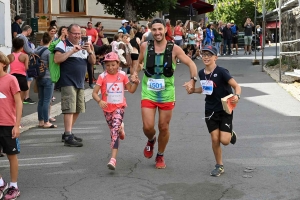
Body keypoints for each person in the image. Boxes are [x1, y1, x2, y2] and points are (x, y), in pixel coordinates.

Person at [131, 18, 198, 169]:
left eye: (160, 29)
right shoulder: (144, 46)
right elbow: (139, 62)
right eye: (154, 30)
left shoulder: (174, 48)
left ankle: (160, 155)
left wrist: (192, 80)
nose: (157, 32)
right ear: (151, 31)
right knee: (148, 127)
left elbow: (191, 63)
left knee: (164, 127)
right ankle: (151, 139)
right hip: (148, 90)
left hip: (166, 92)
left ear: (165, 30)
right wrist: (135, 72)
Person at [183, 45, 240, 177]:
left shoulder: (222, 72)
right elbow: (205, 89)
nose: (206, 57)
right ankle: (219, 165)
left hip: (225, 109)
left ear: (215, 57)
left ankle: (230, 133)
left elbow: (236, 86)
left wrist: (237, 96)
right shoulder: (202, 73)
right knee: (215, 139)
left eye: (209, 55)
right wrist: (192, 90)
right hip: (210, 110)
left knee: (224, 141)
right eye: (204, 54)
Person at [92, 52, 139, 170]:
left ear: (118, 64)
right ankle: (121, 128)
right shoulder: (102, 76)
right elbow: (94, 93)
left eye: (113, 65)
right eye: (108, 65)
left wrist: (136, 84)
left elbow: (131, 90)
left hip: (119, 107)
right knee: (113, 129)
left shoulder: (123, 75)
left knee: (114, 132)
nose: (111, 68)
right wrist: (99, 101)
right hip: (107, 109)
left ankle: (113, 159)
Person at [54, 24, 96, 147]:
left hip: (80, 81)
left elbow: (92, 62)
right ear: (68, 33)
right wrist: (72, 50)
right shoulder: (63, 44)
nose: (77, 36)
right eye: (75, 33)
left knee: (78, 108)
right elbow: (57, 59)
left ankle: (68, 132)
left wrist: (90, 51)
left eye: (79, 33)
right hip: (67, 80)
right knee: (69, 108)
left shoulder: (84, 45)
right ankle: (68, 135)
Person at [0, 51, 23, 200]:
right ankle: (1, 183)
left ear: (3, 63)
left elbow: (19, 102)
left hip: (8, 124)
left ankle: (14, 186)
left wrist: (17, 125)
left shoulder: (11, 79)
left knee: (11, 155)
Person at [35, 32, 58, 129]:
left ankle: (40, 121)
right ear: (50, 41)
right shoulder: (49, 52)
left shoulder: (36, 50)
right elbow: (53, 64)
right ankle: (46, 121)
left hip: (38, 77)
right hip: (48, 76)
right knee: (47, 100)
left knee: (40, 100)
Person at [16, 25, 36, 105]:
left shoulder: (17, 36)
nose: (29, 33)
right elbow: (27, 49)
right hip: (24, 59)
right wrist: (34, 52)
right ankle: (26, 97)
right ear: (28, 30)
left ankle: (20, 97)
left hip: (17, 59)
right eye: (29, 32)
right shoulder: (23, 38)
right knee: (29, 79)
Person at [7, 38, 29, 102]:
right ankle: (20, 112)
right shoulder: (25, 56)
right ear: (22, 47)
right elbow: (26, 68)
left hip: (12, 78)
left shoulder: (9, 56)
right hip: (22, 78)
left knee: (12, 100)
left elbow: (6, 68)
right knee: (20, 100)